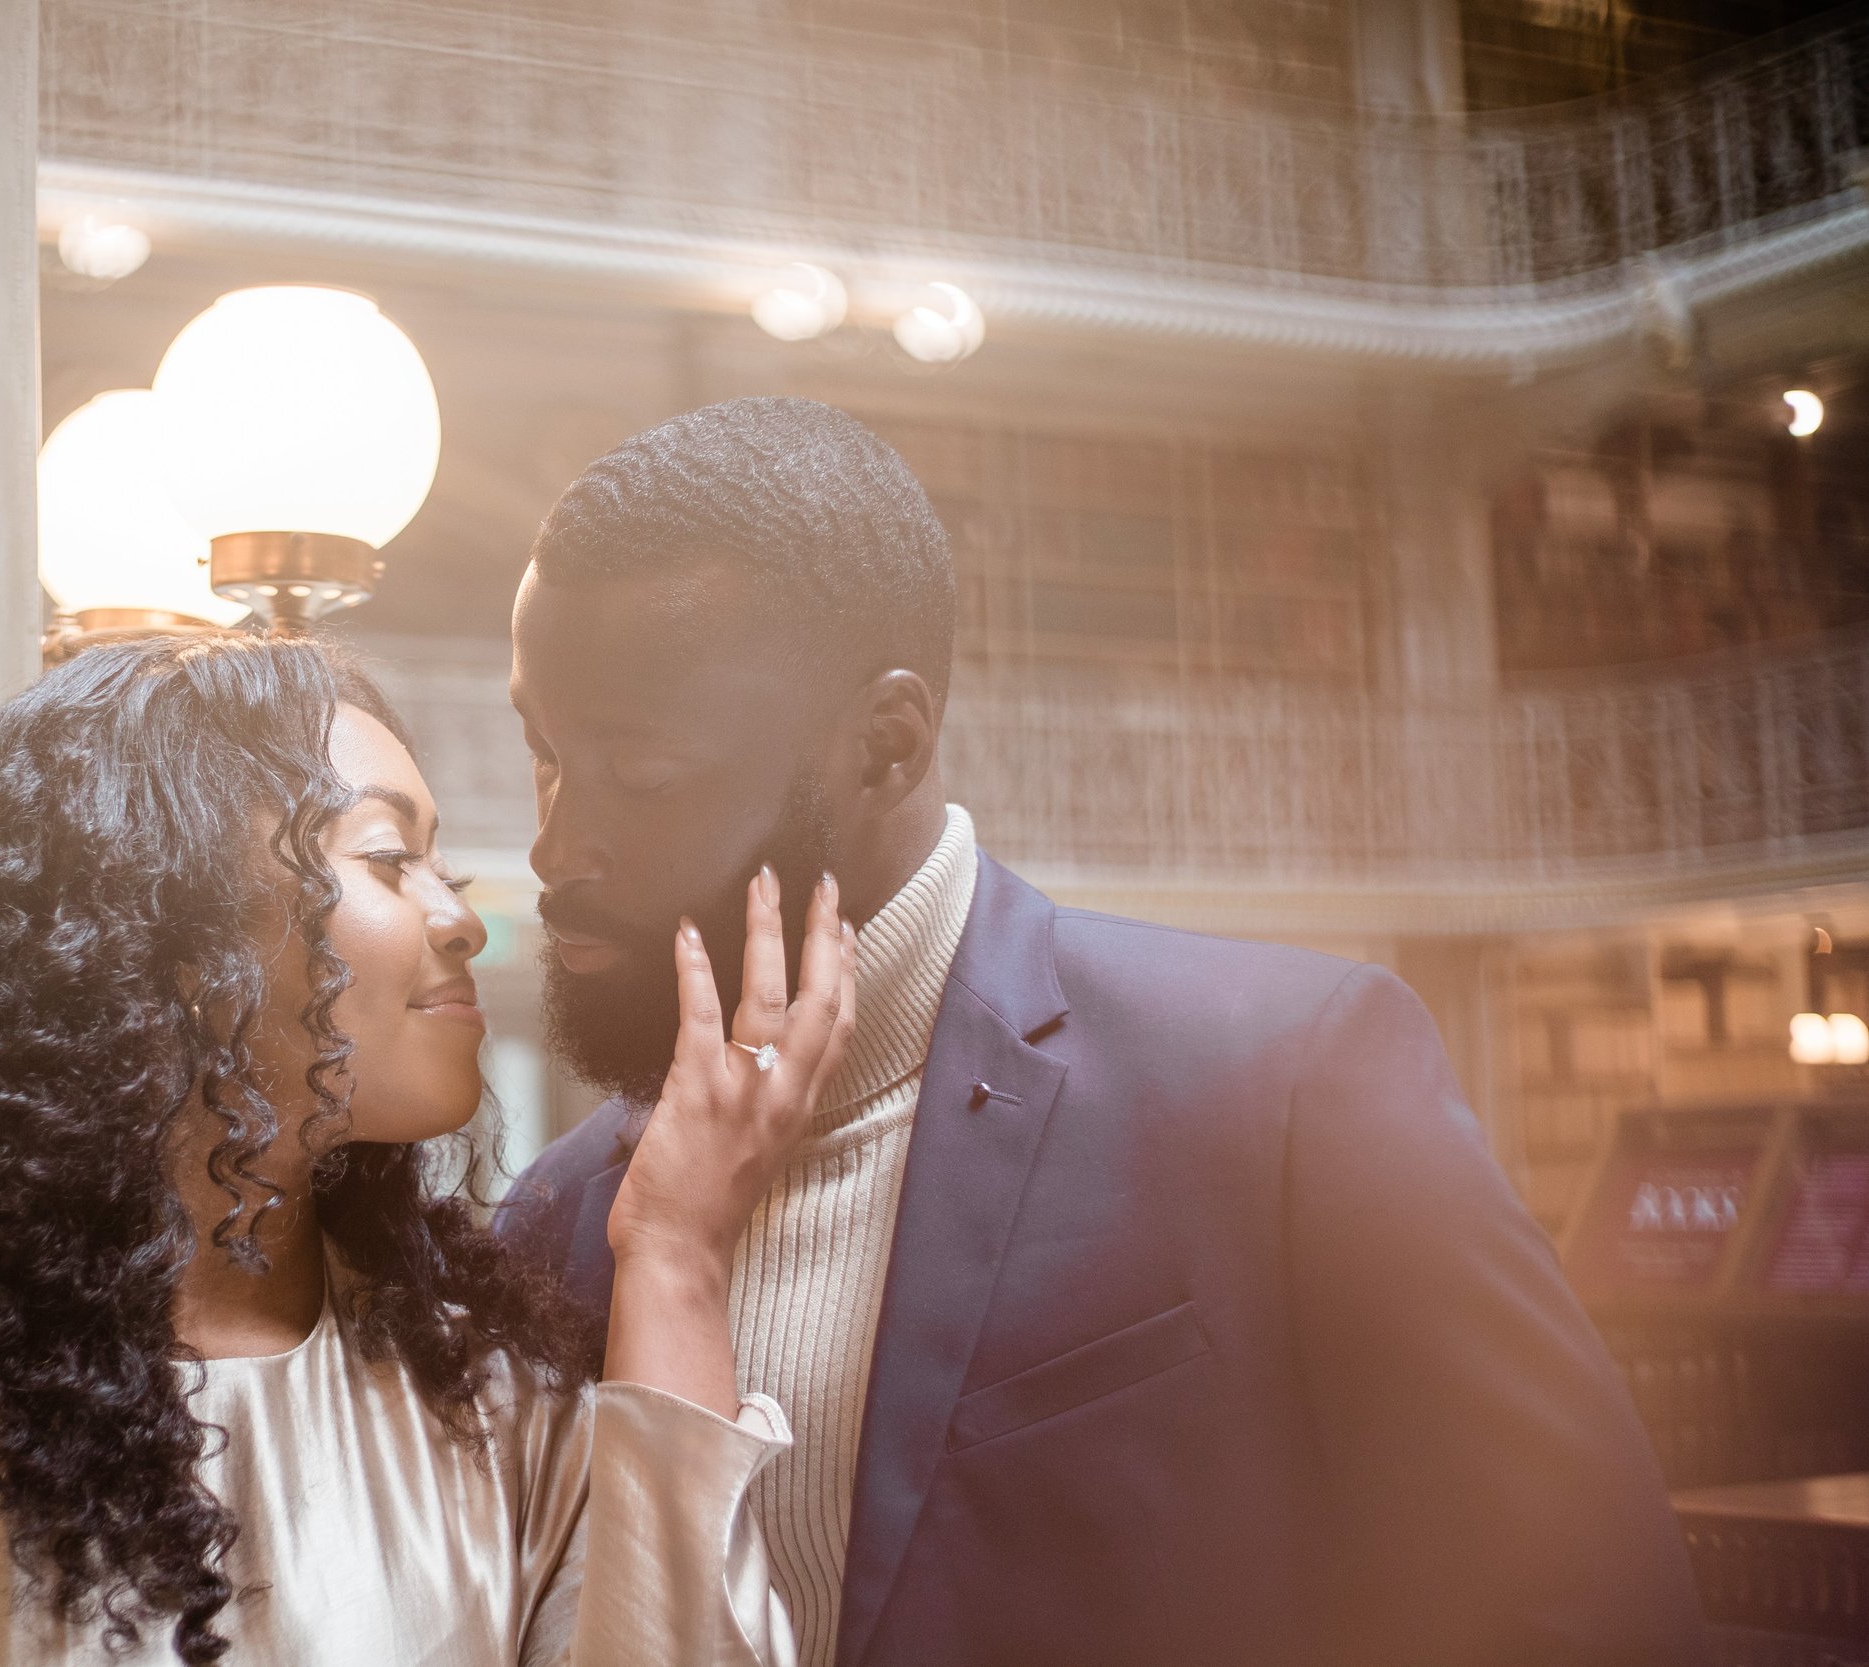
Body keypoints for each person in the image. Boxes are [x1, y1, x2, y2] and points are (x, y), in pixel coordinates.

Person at [499, 397, 1709, 1667]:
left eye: (639, 774)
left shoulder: (1282, 1084)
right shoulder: (561, 1216)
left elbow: (1593, 1615)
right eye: (543, 754)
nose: (555, 844)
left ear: (886, 743)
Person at [0, 633, 860, 1666]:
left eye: (442, 862)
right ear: (157, 921)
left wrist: (676, 1254)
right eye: (388, 855)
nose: (458, 918)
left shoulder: (496, 1410)